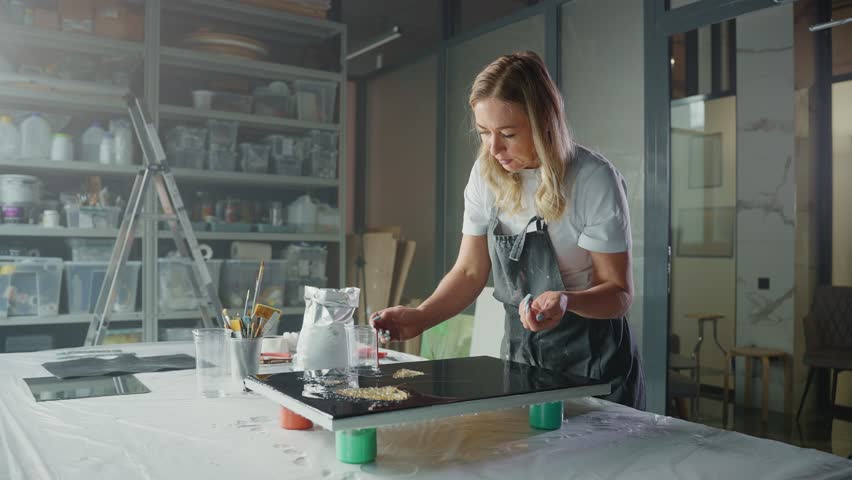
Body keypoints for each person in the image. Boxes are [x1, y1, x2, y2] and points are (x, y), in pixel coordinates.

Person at [371, 51, 645, 410]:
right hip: (521, 356)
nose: (494, 149)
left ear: (545, 120)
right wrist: (421, 317)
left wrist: (568, 300)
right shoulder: (486, 175)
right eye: (484, 133)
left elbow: (619, 294)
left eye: (509, 134)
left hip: (593, 358)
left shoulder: (593, 179)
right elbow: (470, 272)